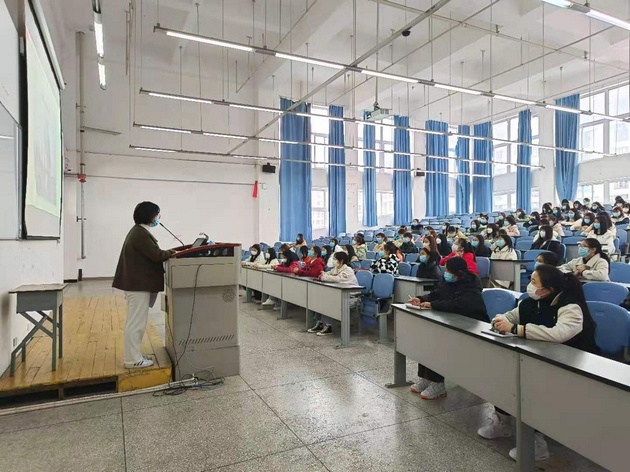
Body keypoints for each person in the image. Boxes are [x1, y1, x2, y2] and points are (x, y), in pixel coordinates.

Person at [479, 265, 598, 462]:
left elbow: (559, 334)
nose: (530, 285)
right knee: (502, 374)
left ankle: (537, 444)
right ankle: (503, 422)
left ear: (548, 289)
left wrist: (516, 329)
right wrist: (499, 321)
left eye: (534, 282)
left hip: (570, 364)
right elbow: (508, 316)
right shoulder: (529, 303)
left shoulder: (570, 307)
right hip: (538, 357)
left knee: (531, 385)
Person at [408, 257, 488, 399]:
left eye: (449, 271)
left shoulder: (471, 287)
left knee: (438, 342)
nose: (446, 273)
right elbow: (436, 294)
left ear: (458, 273)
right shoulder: (450, 283)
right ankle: (426, 378)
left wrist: (433, 305)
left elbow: (457, 304)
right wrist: (421, 299)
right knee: (427, 339)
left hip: (471, 328)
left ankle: (437, 383)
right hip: (453, 323)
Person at [113, 201, 177, 369]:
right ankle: (132, 360)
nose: (158, 218)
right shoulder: (140, 234)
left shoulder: (139, 231)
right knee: (136, 323)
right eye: (157, 214)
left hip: (137, 284)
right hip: (138, 285)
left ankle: (135, 355)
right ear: (150, 216)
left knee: (136, 322)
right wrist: (172, 252)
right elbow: (156, 255)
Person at [309, 252, 359, 336]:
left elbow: (337, 279)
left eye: (335, 259)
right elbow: (328, 274)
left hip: (350, 296)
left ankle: (328, 326)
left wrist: (325, 277)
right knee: (319, 298)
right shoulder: (336, 269)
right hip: (338, 293)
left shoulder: (348, 270)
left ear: (341, 261)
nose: (333, 261)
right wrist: (323, 274)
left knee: (328, 300)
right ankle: (320, 323)